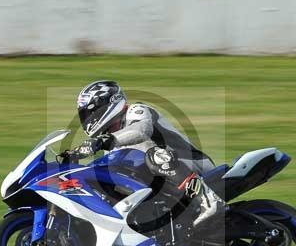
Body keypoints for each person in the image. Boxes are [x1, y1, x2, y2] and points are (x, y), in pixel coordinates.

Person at [74, 80, 224, 228]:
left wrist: (104, 140)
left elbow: (141, 130)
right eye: (85, 114)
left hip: (193, 163)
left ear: (110, 102)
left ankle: (208, 200)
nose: (88, 119)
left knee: (155, 155)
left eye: (91, 112)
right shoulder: (110, 145)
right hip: (167, 184)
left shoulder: (136, 110)